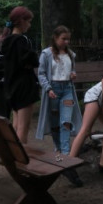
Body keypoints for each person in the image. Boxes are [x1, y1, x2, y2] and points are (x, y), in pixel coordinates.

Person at [35, 26, 84, 186]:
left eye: (68, 39)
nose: (66, 42)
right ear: (55, 38)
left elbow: (72, 70)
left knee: (66, 122)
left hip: (67, 90)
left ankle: (66, 156)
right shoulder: (46, 54)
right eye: (63, 39)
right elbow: (41, 73)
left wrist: (73, 74)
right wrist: (48, 88)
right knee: (55, 124)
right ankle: (59, 150)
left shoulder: (71, 54)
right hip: (53, 90)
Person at [0, 6, 39, 144]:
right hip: (24, 87)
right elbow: (32, 60)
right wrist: (32, 59)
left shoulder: (6, 41)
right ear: (21, 21)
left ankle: (14, 153)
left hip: (11, 87)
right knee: (23, 128)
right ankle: (21, 155)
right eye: (29, 21)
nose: (30, 25)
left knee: (16, 125)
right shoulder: (20, 41)